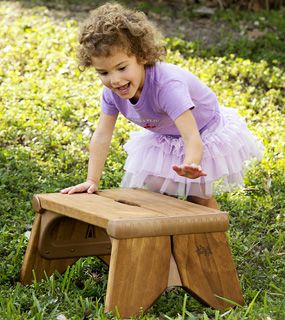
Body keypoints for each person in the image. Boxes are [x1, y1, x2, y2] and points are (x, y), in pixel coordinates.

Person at [61, 2, 263, 209]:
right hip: (166, 135)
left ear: (142, 56)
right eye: (103, 73)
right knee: (156, 194)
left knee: (197, 198)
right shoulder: (112, 94)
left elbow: (192, 137)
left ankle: (212, 240)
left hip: (203, 131)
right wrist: (92, 180)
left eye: (121, 68)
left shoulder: (167, 86)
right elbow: (102, 135)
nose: (115, 80)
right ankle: (166, 239)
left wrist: (191, 164)